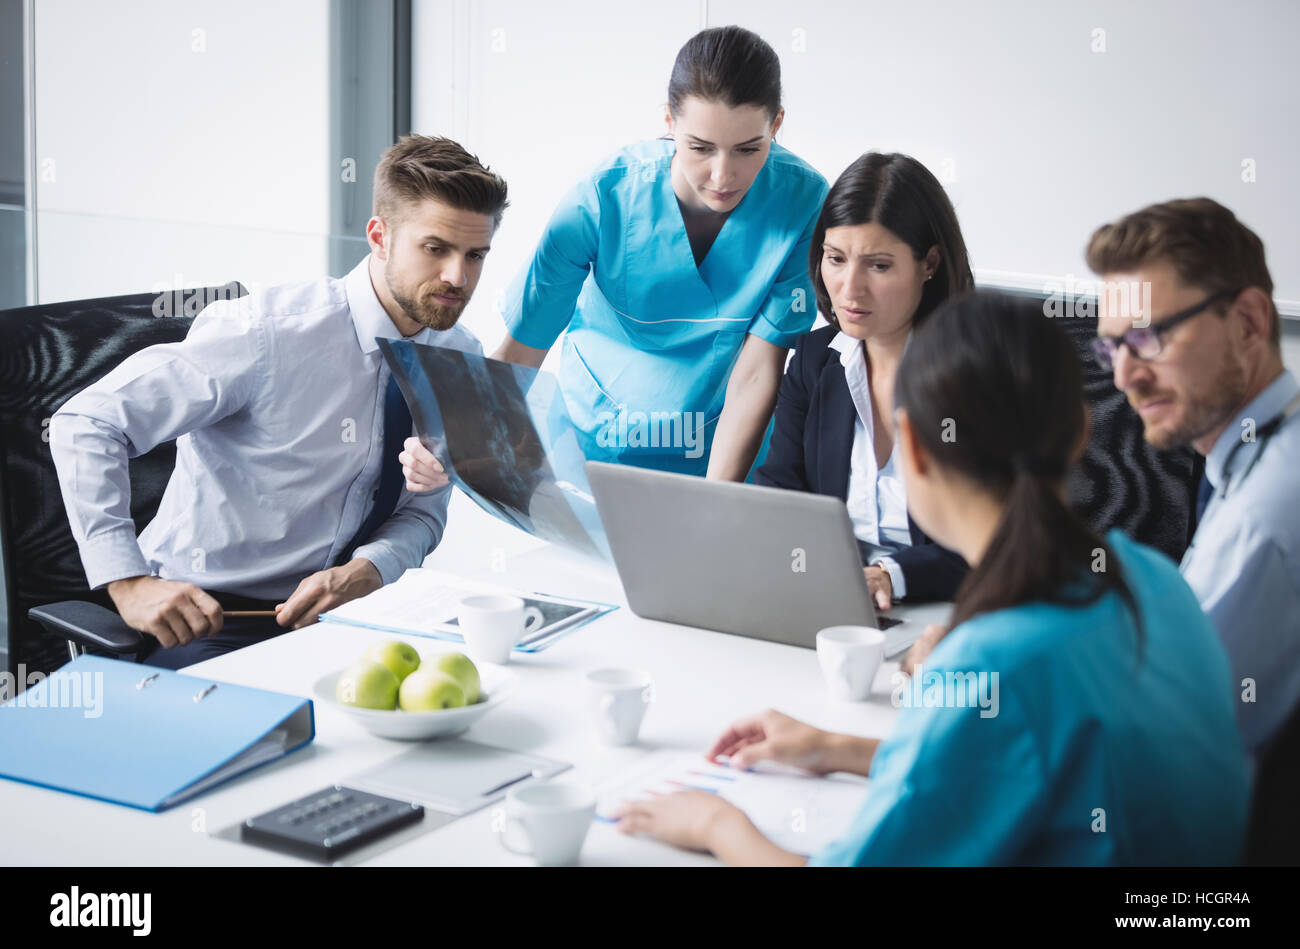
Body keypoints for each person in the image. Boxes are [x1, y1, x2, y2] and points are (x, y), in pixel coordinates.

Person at [614, 292, 1250, 865]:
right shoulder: (1155, 579)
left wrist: (718, 826)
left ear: (913, 446)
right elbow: (1018, 764)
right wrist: (836, 748)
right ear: (1082, 431)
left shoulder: (988, 662)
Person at [49, 135, 508, 667]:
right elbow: (86, 422)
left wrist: (373, 567)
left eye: (475, 255)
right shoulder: (266, 333)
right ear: (380, 237)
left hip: (346, 615)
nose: (458, 277)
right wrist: (126, 582)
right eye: (436, 249)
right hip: (210, 615)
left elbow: (423, 512)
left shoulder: (456, 356)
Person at [402, 25, 828, 492]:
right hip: (599, 447)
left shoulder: (804, 203)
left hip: (724, 451)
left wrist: (716, 501)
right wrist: (454, 444)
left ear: (777, 124)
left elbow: (757, 370)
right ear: (669, 121)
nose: (722, 175)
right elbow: (522, 349)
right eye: (700, 148)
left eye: (749, 149)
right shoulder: (602, 198)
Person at [1087, 197, 1300, 759]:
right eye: (1111, 347)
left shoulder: (1265, 516)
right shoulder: (1260, 451)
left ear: (1249, 322)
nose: (1125, 376)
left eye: (1148, 337)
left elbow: (1154, 732)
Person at [754, 153, 971, 609]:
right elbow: (779, 491)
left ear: (929, 263)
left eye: (878, 266)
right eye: (836, 259)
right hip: (833, 599)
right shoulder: (815, 360)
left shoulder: (975, 375)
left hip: (943, 610)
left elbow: (995, 540)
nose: (850, 289)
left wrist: (890, 576)